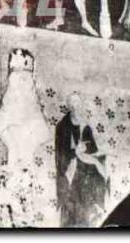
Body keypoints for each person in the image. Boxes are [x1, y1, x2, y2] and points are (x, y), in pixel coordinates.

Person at [55, 94, 110, 228]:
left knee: (98, 173)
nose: (76, 108)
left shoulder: (85, 125)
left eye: (78, 104)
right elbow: (60, 152)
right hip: (70, 163)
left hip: (84, 161)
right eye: (73, 105)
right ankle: (74, 221)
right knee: (77, 183)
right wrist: (75, 151)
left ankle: (92, 214)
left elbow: (93, 147)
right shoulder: (62, 127)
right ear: (69, 107)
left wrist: (87, 149)